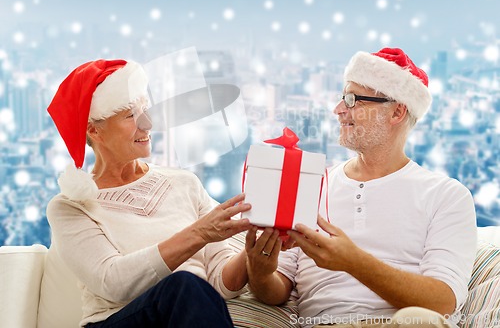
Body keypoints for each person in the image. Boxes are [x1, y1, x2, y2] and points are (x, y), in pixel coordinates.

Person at [245, 47, 477, 328]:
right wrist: (259, 274)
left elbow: (442, 302)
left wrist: (353, 262)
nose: (339, 110)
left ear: (397, 112)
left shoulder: (446, 196)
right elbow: (277, 289)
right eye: (343, 98)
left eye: (353, 99)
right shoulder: (313, 185)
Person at [46, 59, 252, 328]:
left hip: (186, 315)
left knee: (189, 289)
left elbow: (222, 284)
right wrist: (199, 233)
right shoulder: (70, 207)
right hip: (115, 322)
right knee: (184, 286)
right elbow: (113, 282)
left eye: (145, 110)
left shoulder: (184, 183)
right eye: (130, 115)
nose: (147, 123)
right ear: (94, 130)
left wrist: (252, 252)